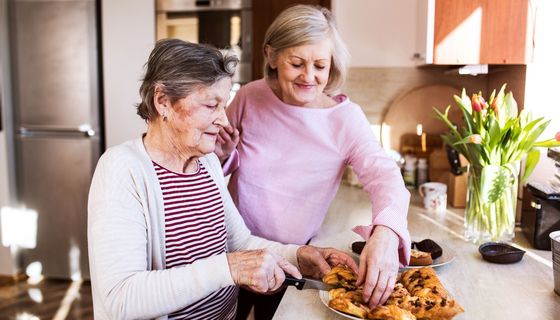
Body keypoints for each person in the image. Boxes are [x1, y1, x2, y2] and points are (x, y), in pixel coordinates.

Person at [87, 38, 357, 320]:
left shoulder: (207, 163)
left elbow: (240, 243)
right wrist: (229, 268)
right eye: (210, 106)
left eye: (223, 106)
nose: (224, 121)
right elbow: (122, 298)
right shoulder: (122, 170)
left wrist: (299, 257)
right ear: (163, 101)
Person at [216, 5, 411, 319]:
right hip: (232, 250)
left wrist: (387, 232)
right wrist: (223, 154)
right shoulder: (249, 98)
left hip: (293, 261)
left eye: (320, 65)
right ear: (271, 56)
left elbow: (383, 174)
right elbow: (211, 166)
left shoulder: (345, 119)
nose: (309, 76)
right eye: (296, 63)